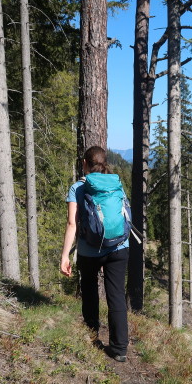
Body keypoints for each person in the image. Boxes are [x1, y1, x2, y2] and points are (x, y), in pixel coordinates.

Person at [60, 146, 129, 362]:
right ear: (104, 163)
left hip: (90, 250)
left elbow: (72, 223)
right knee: (116, 295)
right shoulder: (116, 183)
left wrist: (65, 256)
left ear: (84, 163)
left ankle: (93, 336)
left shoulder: (77, 188)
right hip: (119, 246)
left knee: (89, 290)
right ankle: (119, 349)